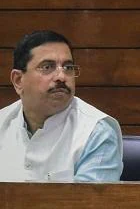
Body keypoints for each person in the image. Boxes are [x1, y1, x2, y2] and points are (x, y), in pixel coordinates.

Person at [0, 30, 123, 182]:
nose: (61, 77)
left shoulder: (96, 131)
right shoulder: (2, 121)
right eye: (47, 67)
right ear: (18, 80)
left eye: (68, 67)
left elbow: (88, 204)